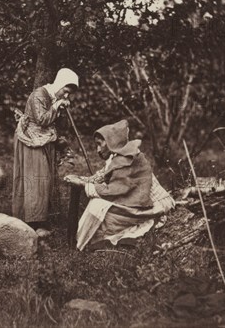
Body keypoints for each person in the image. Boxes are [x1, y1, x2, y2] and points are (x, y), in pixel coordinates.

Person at [64, 119, 175, 250]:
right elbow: (99, 177)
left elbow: (113, 191)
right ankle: (84, 239)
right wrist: (80, 179)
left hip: (155, 206)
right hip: (138, 202)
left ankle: (83, 242)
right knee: (97, 205)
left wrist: (83, 185)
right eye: (96, 145)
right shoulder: (118, 157)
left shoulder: (129, 159)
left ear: (111, 143)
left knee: (98, 206)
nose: (98, 150)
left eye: (100, 144)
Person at [12, 68, 79, 237]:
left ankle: (39, 220)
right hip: (31, 141)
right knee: (36, 180)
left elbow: (55, 122)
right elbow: (42, 120)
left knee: (43, 180)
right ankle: (31, 223)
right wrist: (57, 106)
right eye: (65, 91)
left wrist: (59, 107)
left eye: (69, 94)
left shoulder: (53, 96)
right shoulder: (39, 95)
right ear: (60, 84)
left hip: (43, 140)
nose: (66, 96)